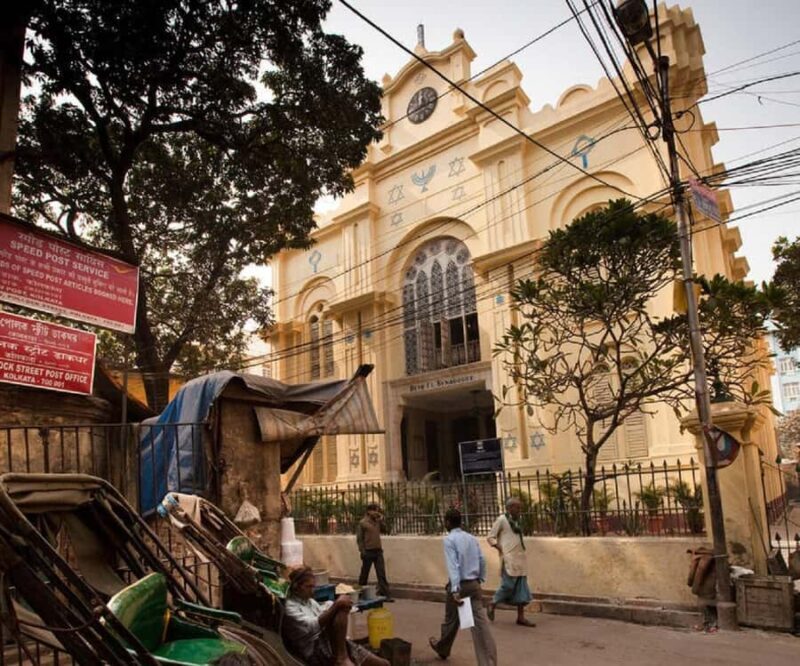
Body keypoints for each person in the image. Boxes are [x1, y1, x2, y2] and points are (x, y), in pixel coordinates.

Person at [429, 508, 497, 666]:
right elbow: (482, 560)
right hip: (474, 584)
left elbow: (453, 566)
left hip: (459, 585)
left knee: (451, 620)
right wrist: (480, 579)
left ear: (447, 522)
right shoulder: (471, 538)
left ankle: (442, 647)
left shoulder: (449, 540)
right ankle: (488, 662)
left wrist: (454, 590)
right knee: (481, 627)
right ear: (460, 521)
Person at [282, 566, 390, 666]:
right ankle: (341, 658)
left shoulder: (308, 601)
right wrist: (336, 605)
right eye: (309, 587)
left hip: (330, 641)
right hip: (315, 650)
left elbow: (322, 611)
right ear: (297, 587)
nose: (313, 590)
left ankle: (343, 656)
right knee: (339, 607)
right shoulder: (290, 607)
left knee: (384, 664)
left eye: (313, 586)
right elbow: (313, 626)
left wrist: (335, 604)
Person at [486, 497, 535, 627]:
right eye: (517, 507)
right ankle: (493, 602)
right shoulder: (502, 519)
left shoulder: (519, 521)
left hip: (520, 558)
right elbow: (490, 537)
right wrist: (499, 547)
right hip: (508, 559)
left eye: (520, 507)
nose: (520, 510)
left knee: (521, 589)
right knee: (507, 585)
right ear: (509, 508)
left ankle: (521, 617)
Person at [356, 503, 392, 600]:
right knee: (364, 574)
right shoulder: (363, 523)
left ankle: (385, 594)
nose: (376, 512)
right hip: (368, 551)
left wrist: (381, 521)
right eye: (374, 510)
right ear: (369, 511)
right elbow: (359, 539)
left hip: (378, 551)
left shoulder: (377, 521)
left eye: (377, 510)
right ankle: (359, 594)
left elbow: (386, 531)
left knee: (381, 574)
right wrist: (362, 551)